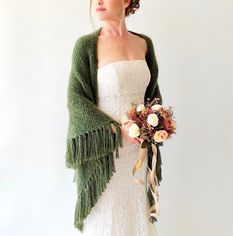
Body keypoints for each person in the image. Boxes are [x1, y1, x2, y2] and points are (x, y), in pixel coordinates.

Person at [65, 0, 163, 235]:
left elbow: (153, 96)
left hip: (138, 157)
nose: (97, 1)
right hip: (105, 157)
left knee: (137, 218)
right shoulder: (87, 46)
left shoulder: (144, 44)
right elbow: (76, 101)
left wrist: (158, 123)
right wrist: (118, 131)